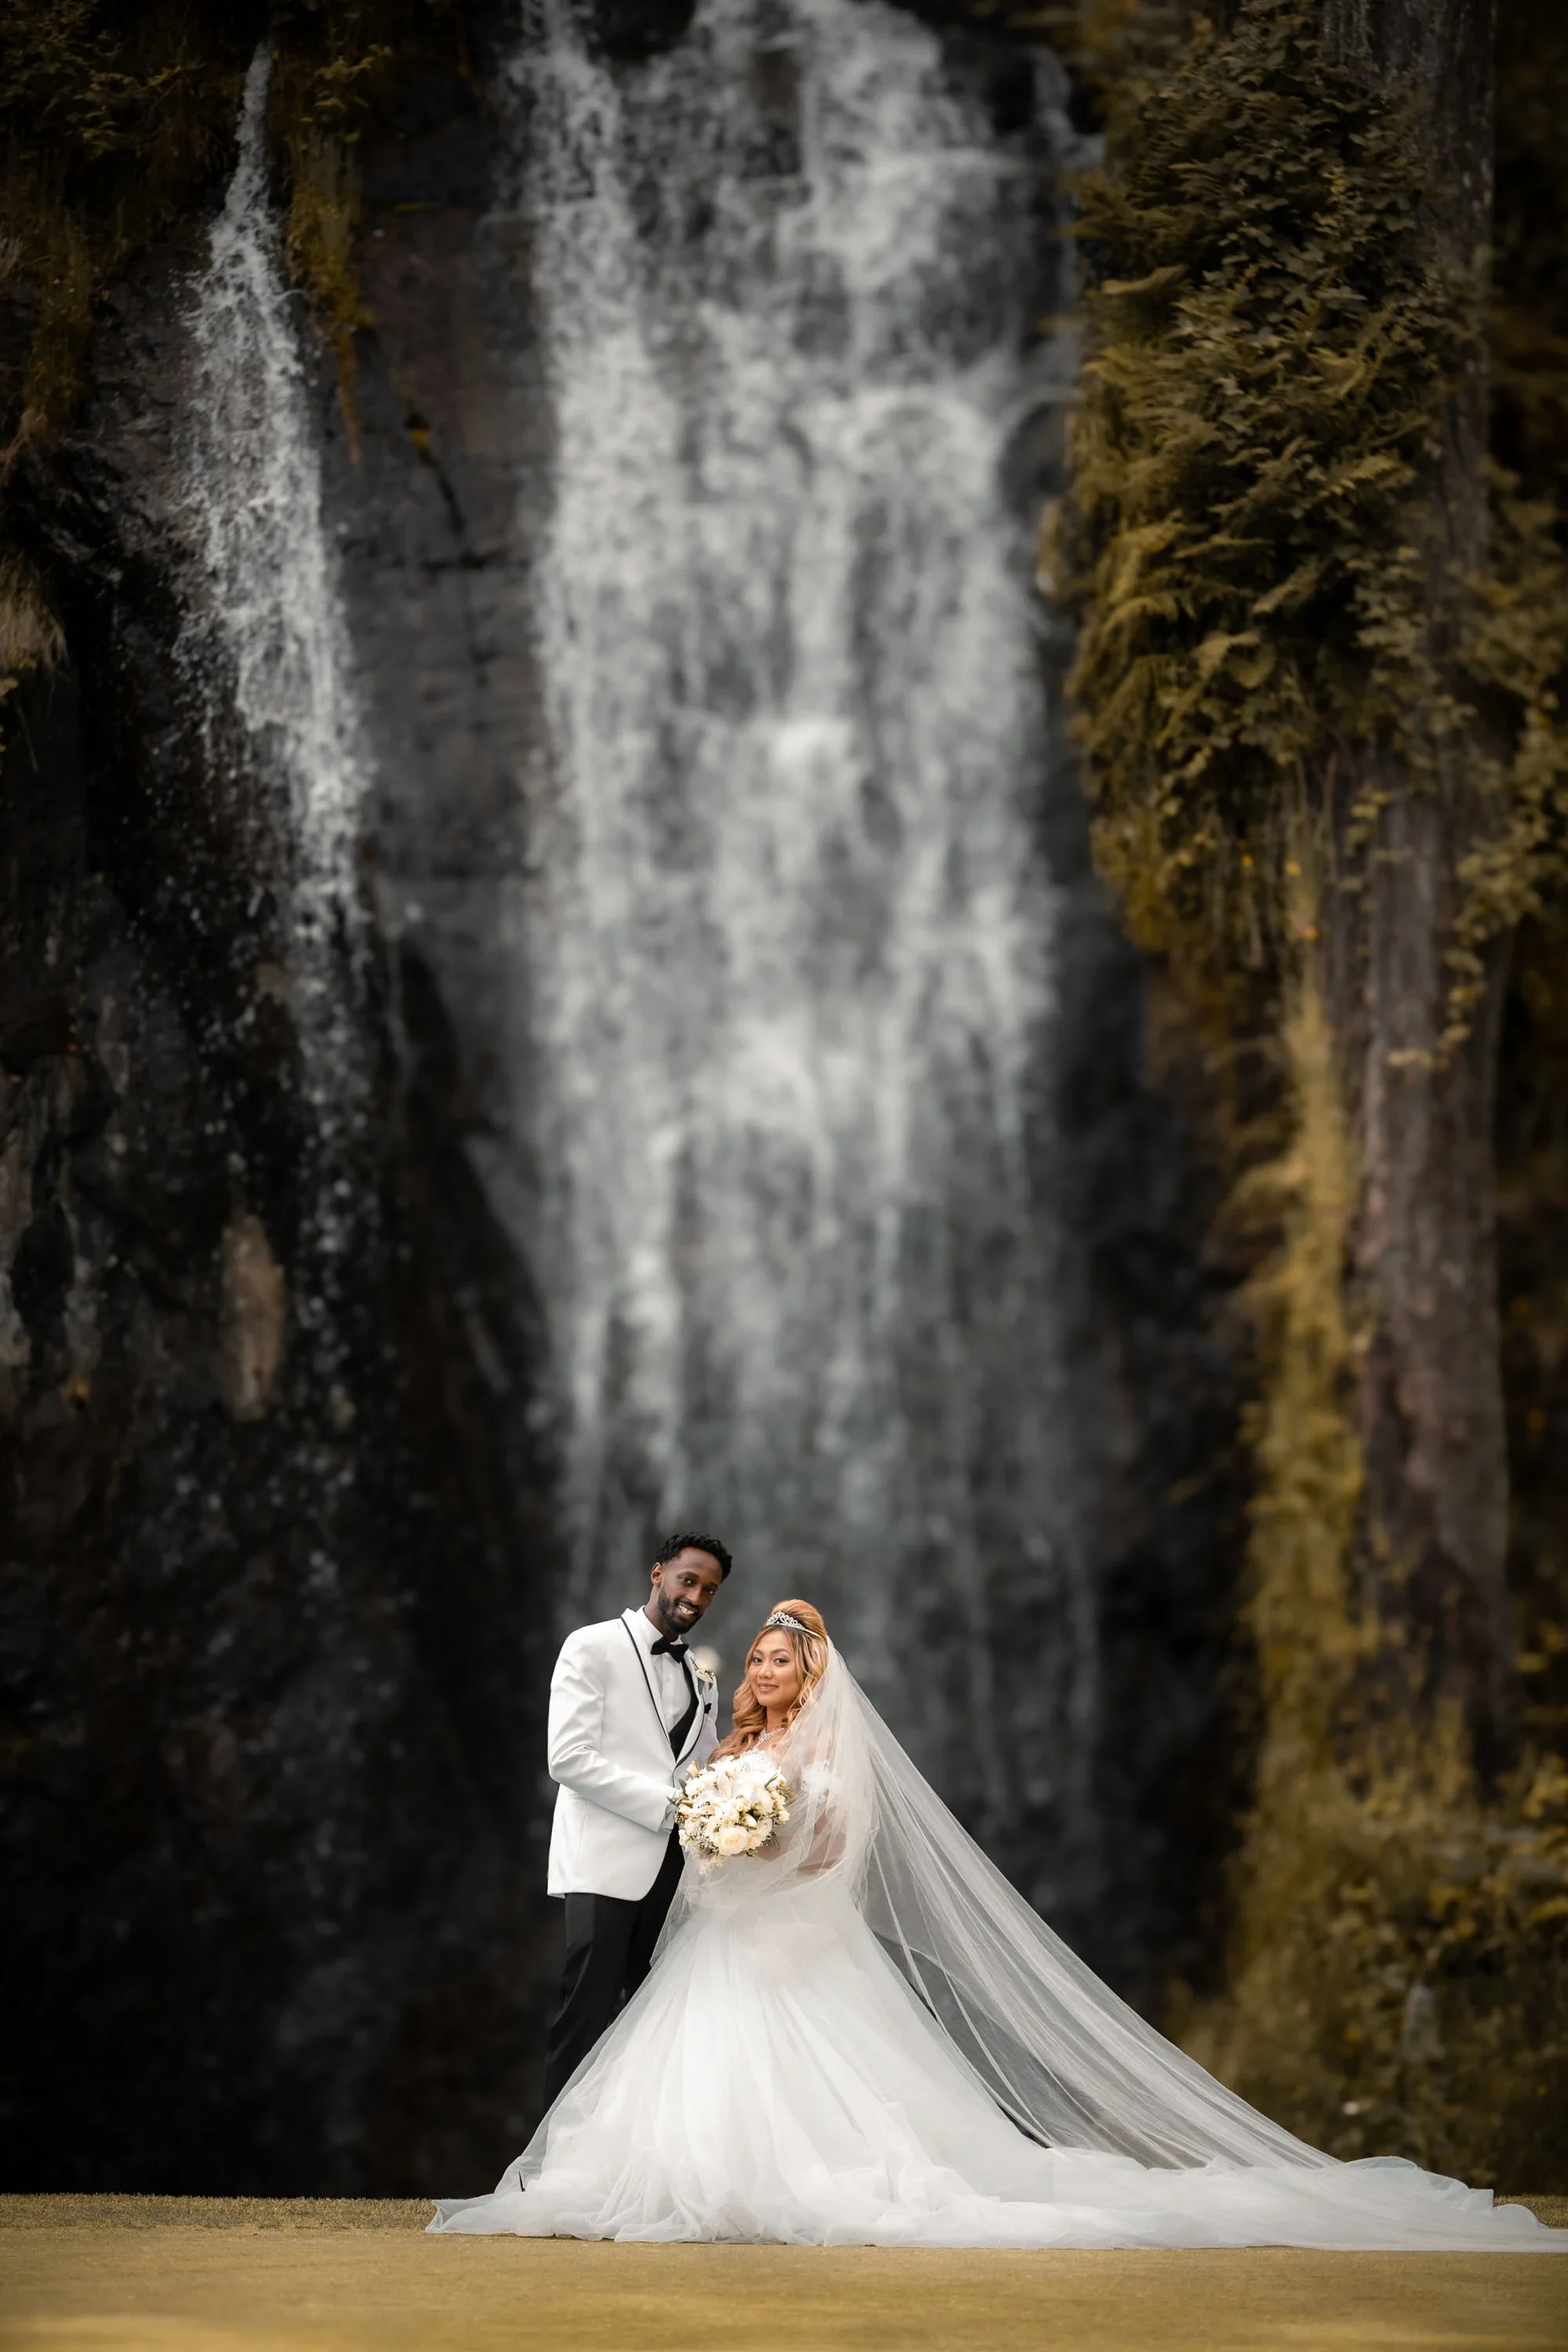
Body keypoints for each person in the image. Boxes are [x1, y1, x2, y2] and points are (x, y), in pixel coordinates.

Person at [433, 1601, 1566, 2252]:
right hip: (721, 1937)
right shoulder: (732, 1746)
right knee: (688, 2069)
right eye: (761, 1657)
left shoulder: (819, 1752)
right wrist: (722, 1835)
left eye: (782, 1659)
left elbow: (828, 1846)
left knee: (815, 2092)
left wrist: (758, 1844)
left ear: (810, 1672)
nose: (765, 1670)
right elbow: (690, 1813)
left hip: (782, 1936)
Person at [535, 1531, 730, 2113]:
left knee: (650, 2020)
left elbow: (705, 1764)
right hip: (603, 1863)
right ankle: (552, 2156)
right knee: (586, 2013)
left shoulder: (702, 1675)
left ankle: (625, 2153)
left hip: (674, 1872)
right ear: (657, 1573)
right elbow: (568, 1758)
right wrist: (670, 1808)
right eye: (688, 1580)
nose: (695, 1596)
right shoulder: (590, 1646)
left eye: (709, 1590)